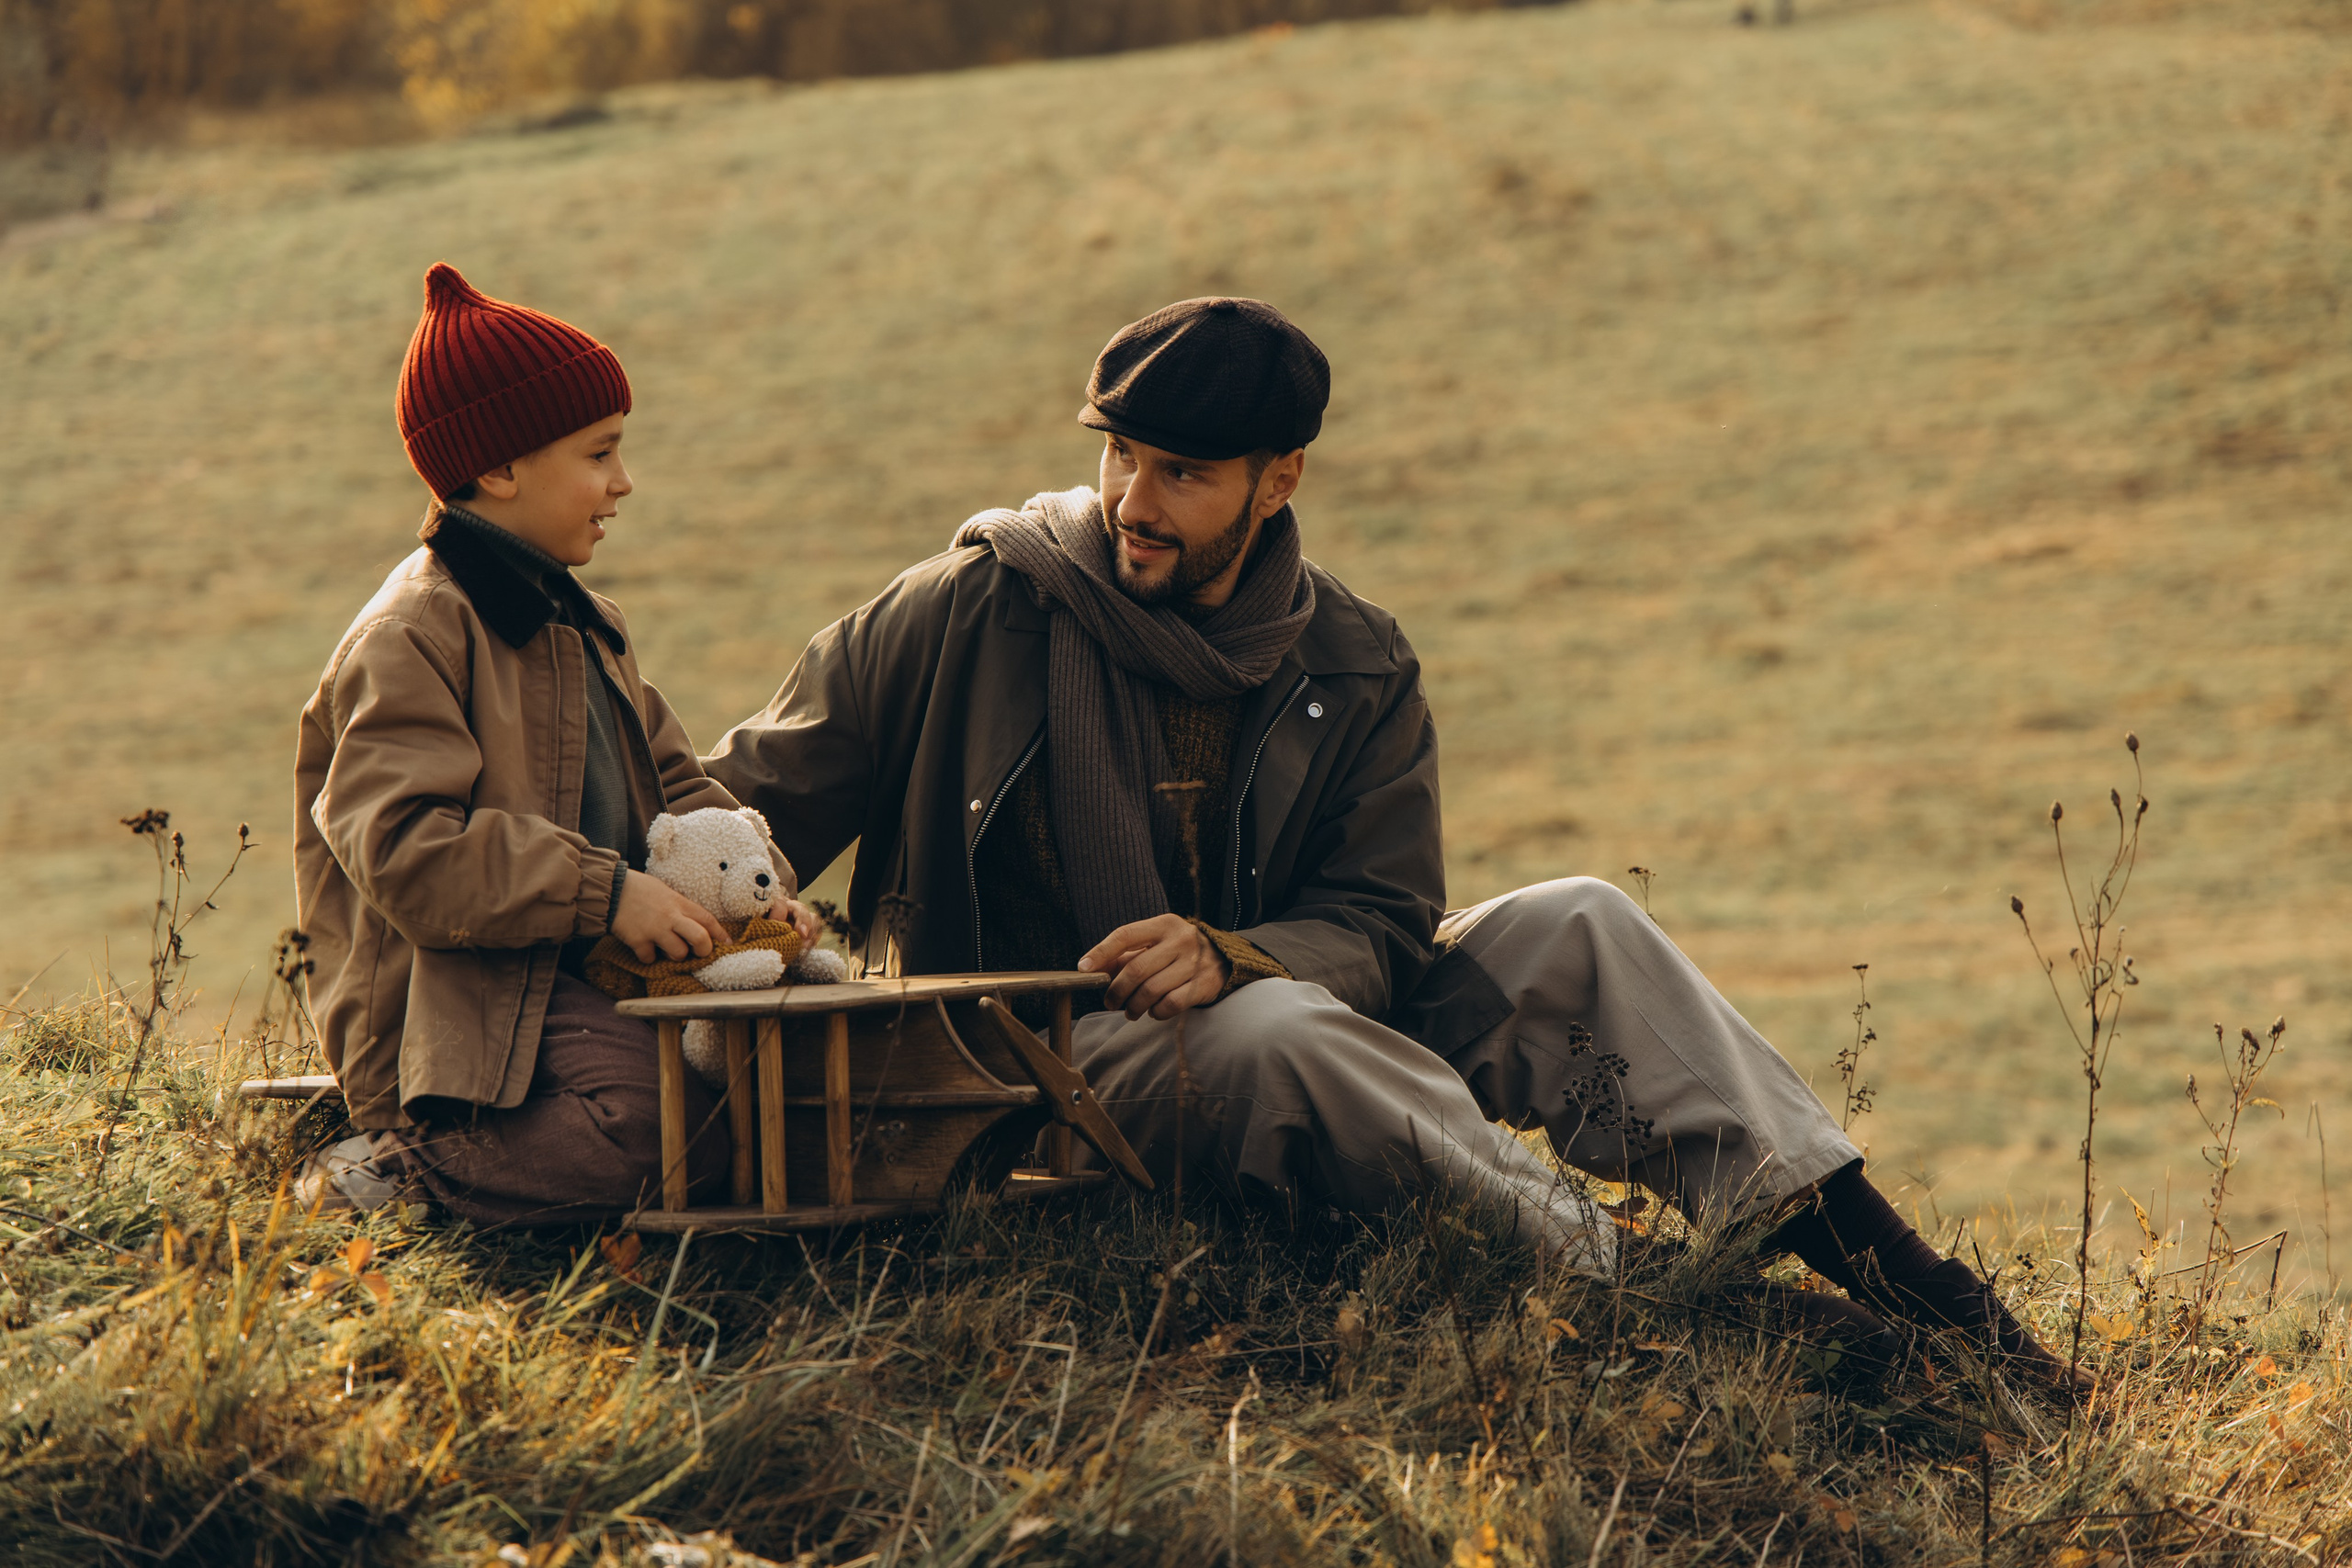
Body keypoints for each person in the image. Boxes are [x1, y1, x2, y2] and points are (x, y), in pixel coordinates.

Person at [704, 297, 2084, 1392]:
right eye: (1118, 453)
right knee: (1274, 1030)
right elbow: (740, 813)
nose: (1132, 498)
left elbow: (1377, 918)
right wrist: (596, 874)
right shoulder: (963, 610)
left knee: (1578, 918)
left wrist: (1233, 949)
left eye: (1183, 473)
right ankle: (1670, 1299)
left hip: (1282, 1004)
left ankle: (1929, 1297)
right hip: (1037, 1055)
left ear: (1278, 475)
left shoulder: (1353, 658)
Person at [290, 264, 817, 1224]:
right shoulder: (412, 635)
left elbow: (679, 785)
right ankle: (393, 1170)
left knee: (806, 1096)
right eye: (599, 453)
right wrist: (605, 893)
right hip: (470, 996)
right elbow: (403, 846)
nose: (622, 482)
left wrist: (760, 885)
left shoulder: (584, 622)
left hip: (588, 979)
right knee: (672, 1144)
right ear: (498, 470)